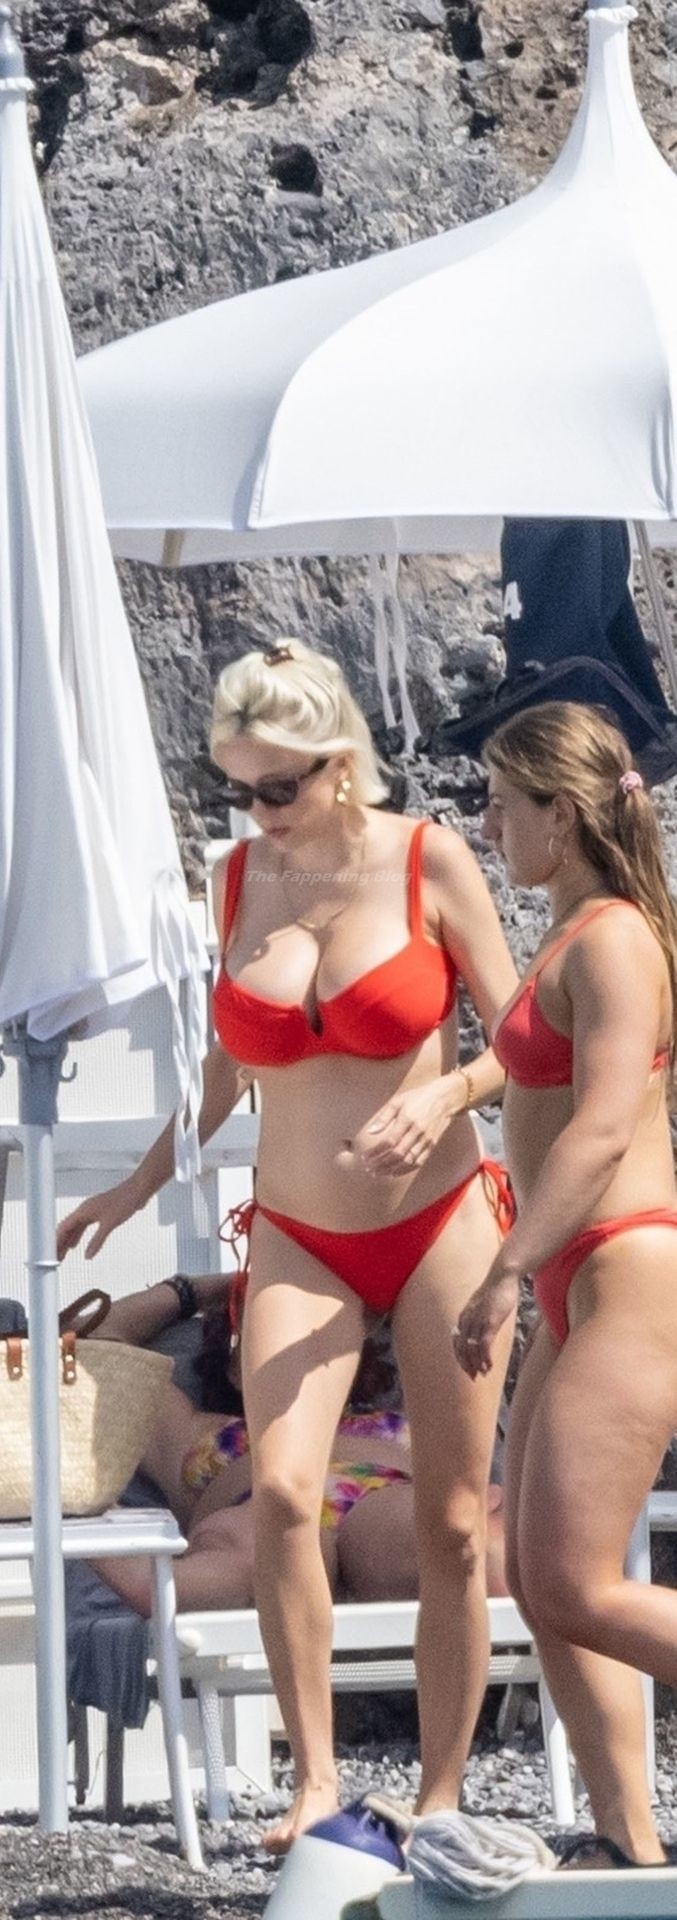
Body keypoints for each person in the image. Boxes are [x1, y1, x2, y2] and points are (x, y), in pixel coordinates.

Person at [57, 640, 521, 1851]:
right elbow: (225, 1069)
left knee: (452, 1523)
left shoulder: (425, 858)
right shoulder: (237, 879)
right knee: (282, 1497)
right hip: (298, 1233)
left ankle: (439, 1796)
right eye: (238, 787)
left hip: (437, 1221)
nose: (258, 810)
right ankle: (314, 1783)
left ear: (338, 760)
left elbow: (525, 1033)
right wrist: (135, 1185)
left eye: (279, 785)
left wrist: (448, 1089)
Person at [455, 702, 677, 1871]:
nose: (487, 826)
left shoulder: (615, 941)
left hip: (625, 1272)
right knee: (542, 1583)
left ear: (565, 812)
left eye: (503, 805)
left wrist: (502, 1270)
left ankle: (629, 1838)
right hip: (577, 1281)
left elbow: (595, 1133)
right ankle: (628, 1842)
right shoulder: (572, 929)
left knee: (582, 1585)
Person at [83, 1272, 508, 1618]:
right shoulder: (197, 1432)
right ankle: (159, 1584)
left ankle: (493, 1565)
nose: (294, 1355)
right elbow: (88, 1347)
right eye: (268, 1334)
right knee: (254, 1551)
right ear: (234, 1368)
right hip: (260, 1506)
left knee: (451, 1537)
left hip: (379, 1500)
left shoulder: (396, 1419)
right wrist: (198, 1290)